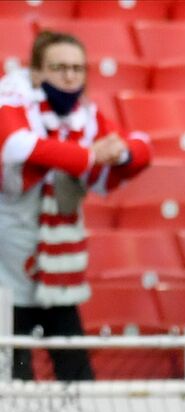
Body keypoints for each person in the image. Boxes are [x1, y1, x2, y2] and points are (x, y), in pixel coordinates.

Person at [0, 30, 151, 382]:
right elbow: (16, 146)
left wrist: (118, 153)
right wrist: (87, 156)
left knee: (78, 380)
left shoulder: (86, 117)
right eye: (59, 68)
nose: (69, 77)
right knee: (13, 384)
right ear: (36, 73)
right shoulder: (13, 101)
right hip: (7, 279)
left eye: (77, 69)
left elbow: (141, 147)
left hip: (58, 275)